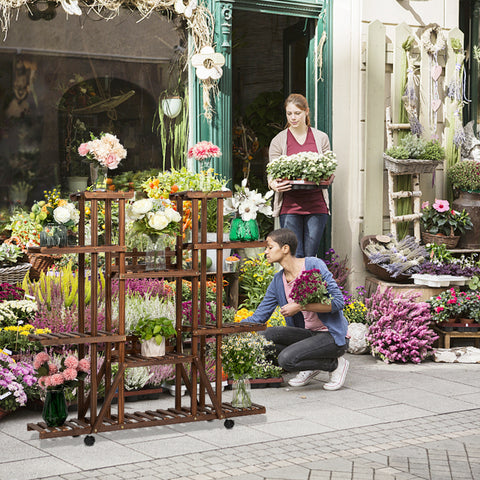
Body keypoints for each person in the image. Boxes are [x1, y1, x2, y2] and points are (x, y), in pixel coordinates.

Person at [243, 228, 349, 390]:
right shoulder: (278, 280)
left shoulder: (314, 265)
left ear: (285, 249)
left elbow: (338, 302)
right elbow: (258, 318)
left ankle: (334, 364)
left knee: (286, 360)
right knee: (263, 338)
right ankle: (309, 362)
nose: (266, 252)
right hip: (308, 335)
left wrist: (300, 305)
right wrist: (227, 329)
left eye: (270, 247)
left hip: (331, 335)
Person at [268, 93, 331, 258]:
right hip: (290, 206)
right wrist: (273, 184)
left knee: (310, 256)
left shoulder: (321, 138)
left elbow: (329, 169)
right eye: (289, 114)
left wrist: (329, 177)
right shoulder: (278, 140)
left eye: (297, 113)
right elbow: (272, 173)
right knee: (294, 255)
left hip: (316, 205)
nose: (293, 117)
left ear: (306, 112)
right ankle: (293, 285)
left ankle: (308, 284)